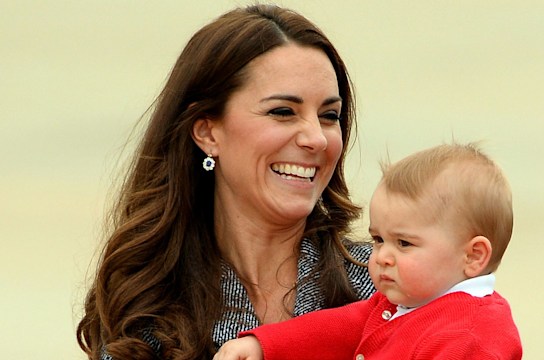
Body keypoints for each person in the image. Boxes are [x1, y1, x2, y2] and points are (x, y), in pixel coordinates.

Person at [75, 4, 376, 360]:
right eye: (283, 112)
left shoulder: (388, 283)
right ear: (207, 131)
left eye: (329, 116)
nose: (318, 139)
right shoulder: (145, 306)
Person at [214, 143, 523, 360]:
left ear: (473, 256)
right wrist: (265, 345)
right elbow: (336, 329)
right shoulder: (399, 303)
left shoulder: (470, 336)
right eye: (378, 239)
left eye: (404, 243)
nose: (382, 256)